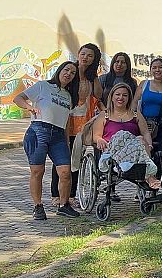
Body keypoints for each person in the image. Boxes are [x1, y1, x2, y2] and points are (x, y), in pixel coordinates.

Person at [15, 61, 81, 220]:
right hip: (39, 130)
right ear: (60, 70)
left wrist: (66, 141)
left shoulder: (68, 96)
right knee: (38, 171)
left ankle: (63, 205)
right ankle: (38, 206)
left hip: (58, 135)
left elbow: (65, 122)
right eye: (66, 70)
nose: (68, 74)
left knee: (66, 172)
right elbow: (18, 98)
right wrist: (29, 107)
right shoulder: (43, 86)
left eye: (72, 73)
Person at [52, 43, 102, 208]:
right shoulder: (69, 71)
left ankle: (71, 194)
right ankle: (56, 194)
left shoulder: (91, 76)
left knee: (76, 159)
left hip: (82, 124)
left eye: (90, 56)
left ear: (94, 60)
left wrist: (94, 76)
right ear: (79, 53)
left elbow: (98, 95)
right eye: (83, 53)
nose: (85, 58)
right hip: (65, 120)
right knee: (60, 157)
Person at [91, 83, 160, 189]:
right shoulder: (104, 115)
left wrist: (149, 145)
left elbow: (145, 132)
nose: (121, 98)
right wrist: (99, 139)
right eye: (117, 94)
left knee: (140, 139)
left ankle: (147, 175)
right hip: (114, 148)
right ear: (112, 97)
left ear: (129, 98)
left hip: (135, 148)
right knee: (122, 134)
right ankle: (149, 175)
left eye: (124, 95)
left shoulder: (136, 114)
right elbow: (96, 135)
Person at [132, 57, 162, 183]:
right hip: (144, 124)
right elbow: (134, 104)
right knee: (144, 154)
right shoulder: (144, 84)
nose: (157, 70)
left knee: (159, 155)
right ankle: (142, 184)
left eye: (160, 67)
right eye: (154, 67)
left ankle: (154, 184)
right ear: (150, 70)